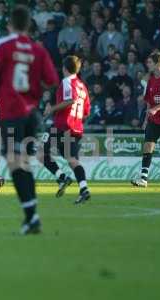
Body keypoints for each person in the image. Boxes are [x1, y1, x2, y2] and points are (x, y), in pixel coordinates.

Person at [0, 5, 59, 235]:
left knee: (14, 163)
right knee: (24, 163)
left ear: (10, 24)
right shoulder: (39, 50)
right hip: (32, 114)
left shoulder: (2, 46)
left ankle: (32, 217)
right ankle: (32, 218)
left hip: (11, 113)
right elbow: (51, 81)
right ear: (28, 25)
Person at [41, 55, 91, 204]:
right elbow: (86, 111)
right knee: (72, 160)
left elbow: (70, 100)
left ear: (64, 68)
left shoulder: (67, 82)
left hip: (62, 125)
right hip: (76, 127)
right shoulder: (82, 86)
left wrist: (52, 109)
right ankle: (84, 189)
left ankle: (63, 178)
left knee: (41, 153)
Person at [131, 52, 160, 187]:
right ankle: (143, 178)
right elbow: (149, 101)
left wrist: (156, 109)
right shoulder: (150, 80)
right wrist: (146, 119)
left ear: (157, 63)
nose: (147, 65)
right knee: (148, 145)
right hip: (154, 119)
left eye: (149, 62)